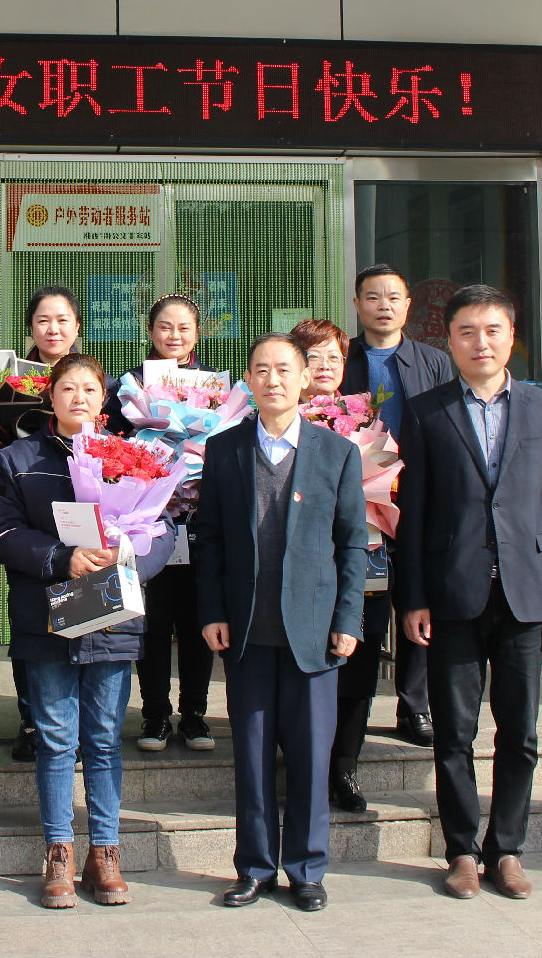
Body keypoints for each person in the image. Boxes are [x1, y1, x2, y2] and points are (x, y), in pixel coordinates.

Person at [396, 285, 542, 902]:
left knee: (519, 731)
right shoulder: (426, 410)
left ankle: (508, 849)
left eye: (492, 330)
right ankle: (463, 851)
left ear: (511, 336)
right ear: (449, 341)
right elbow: (413, 512)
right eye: (467, 332)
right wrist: (413, 597)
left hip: (526, 590)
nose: (480, 343)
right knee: (454, 732)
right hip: (452, 591)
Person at [0, 354, 175, 908]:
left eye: (90, 389)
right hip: (47, 616)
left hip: (112, 614)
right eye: (67, 388)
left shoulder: (132, 455)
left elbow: (162, 530)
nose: (79, 398)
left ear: (103, 398)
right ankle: (60, 852)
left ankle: (105, 852)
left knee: (103, 738)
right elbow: (3, 531)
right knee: (54, 738)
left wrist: (128, 558)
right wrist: (59, 557)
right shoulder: (19, 458)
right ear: (50, 397)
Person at [195, 333, 368, 913]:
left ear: (305, 378)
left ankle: (307, 869)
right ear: (248, 380)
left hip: (315, 632)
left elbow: (353, 544)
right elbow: (209, 538)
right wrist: (212, 611)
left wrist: (348, 618)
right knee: (250, 756)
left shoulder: (337, 452)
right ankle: (254, 867)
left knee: (312, 756)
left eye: (284, 369)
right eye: (261, 369)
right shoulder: (224, 450)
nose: (273, 379)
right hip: (247, 629)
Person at [289, 316, 400, 815]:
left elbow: (388, 481)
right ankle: (302, 764)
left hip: (363, 557)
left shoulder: (367, 421)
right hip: (302, 565)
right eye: (313, 357)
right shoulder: (278, 422)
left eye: (334, 357)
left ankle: (345, 765)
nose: (325, 366)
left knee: (360, 658)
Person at [341, 264, 450, 751]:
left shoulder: (434, 361)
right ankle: (354, 704)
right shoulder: (343, 357)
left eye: (392, 297)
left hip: (416, 496)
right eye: (372, 297)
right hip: (359, 500)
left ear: (408, 305)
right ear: (357, 304)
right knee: (363, 600)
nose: (382, 305)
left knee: (417, 597)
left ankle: (414, 704)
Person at [1, 285, 112, 763]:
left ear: (77, 327)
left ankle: (83, 727)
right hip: (34, 520)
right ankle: (33, 719)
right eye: (43, 320)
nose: (53, 328)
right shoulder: (9, 383)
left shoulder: (101, 405)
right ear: (30, 328)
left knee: (94, 644)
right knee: (36, 632)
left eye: (63, 319)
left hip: (98, 555)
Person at [110, 293, 216, 754]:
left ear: (198, 333)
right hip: (147, 520)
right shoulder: (129, 385)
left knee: (196, 620)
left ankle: (194, 714)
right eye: (165, 327)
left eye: (184, 327)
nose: (174, 336)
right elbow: (115, 446)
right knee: (151, 621)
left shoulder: (214, 387)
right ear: (150, 331)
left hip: (197, 519)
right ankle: (154, 714)